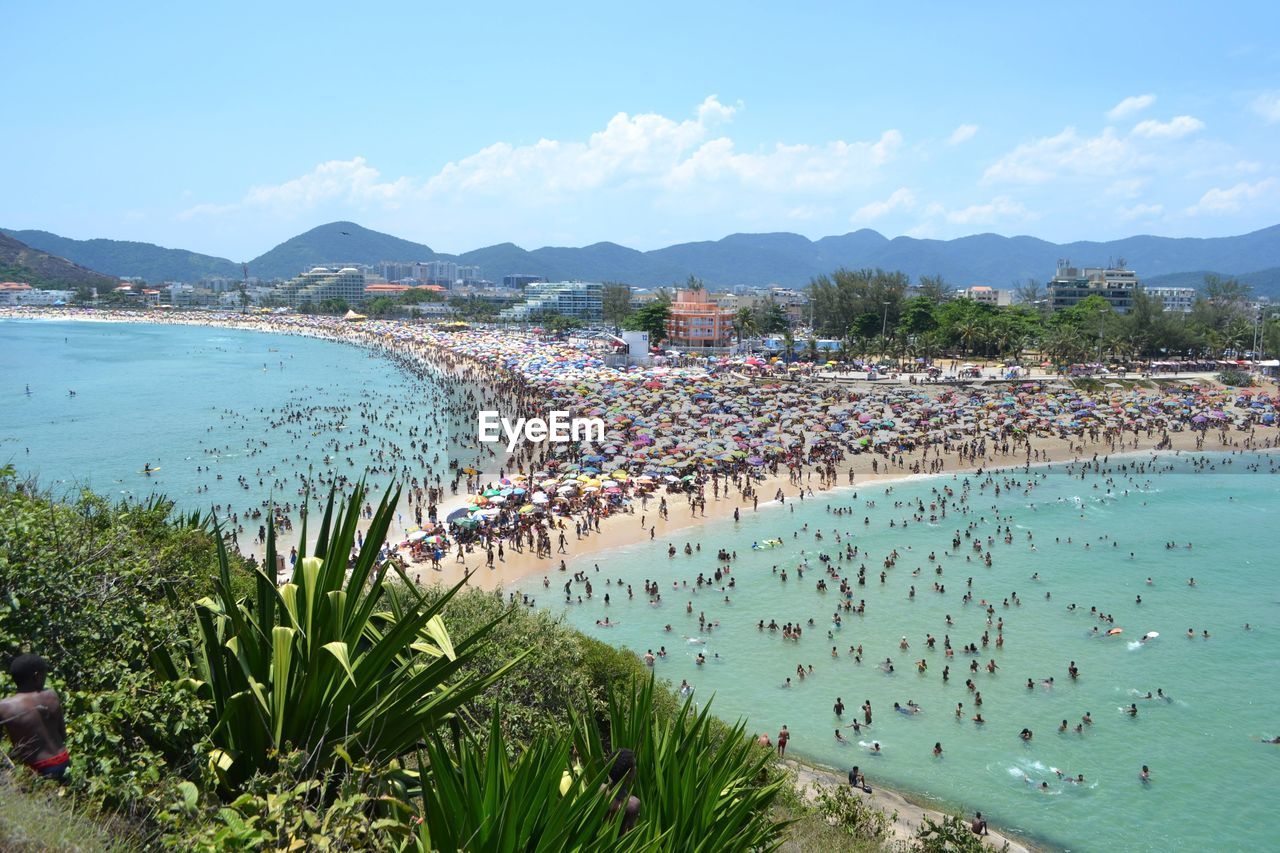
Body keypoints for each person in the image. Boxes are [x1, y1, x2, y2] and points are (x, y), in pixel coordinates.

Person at [0, 654, 69, 782]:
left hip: (37, 767)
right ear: (37, 676)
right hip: (63, 758)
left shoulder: (4, 707)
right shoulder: (51, 695)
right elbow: (63, 735)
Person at [602, 748, 642, 835]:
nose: (636, 768)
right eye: (634, 765)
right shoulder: (632, 804)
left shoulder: (598, 790)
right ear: (629, 773)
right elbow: (629, 833)